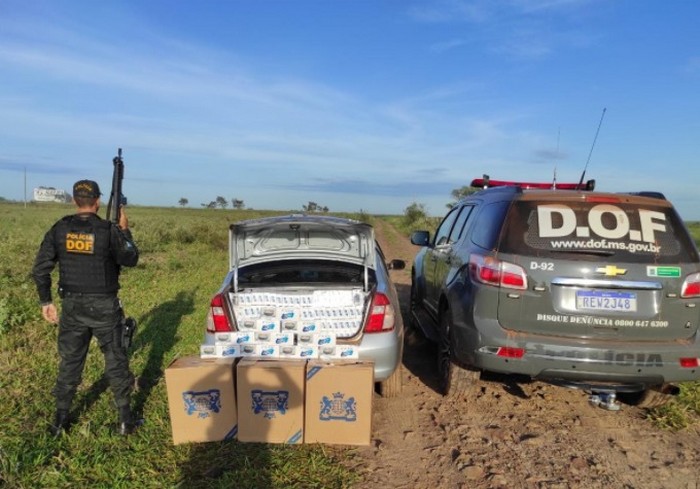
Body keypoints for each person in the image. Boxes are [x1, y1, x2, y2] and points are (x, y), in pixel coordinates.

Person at [32, 179, 141, 436]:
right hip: (104, 306)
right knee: (116, 360)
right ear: (97, 202)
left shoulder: (60, 228)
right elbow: (131, 258)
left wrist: (46, 301)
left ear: (74, 201)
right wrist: (125, 231)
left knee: (70, 361)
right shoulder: (108, 230)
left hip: (72, 306)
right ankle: (125, 421)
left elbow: (40, 269)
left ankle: (60, 420)